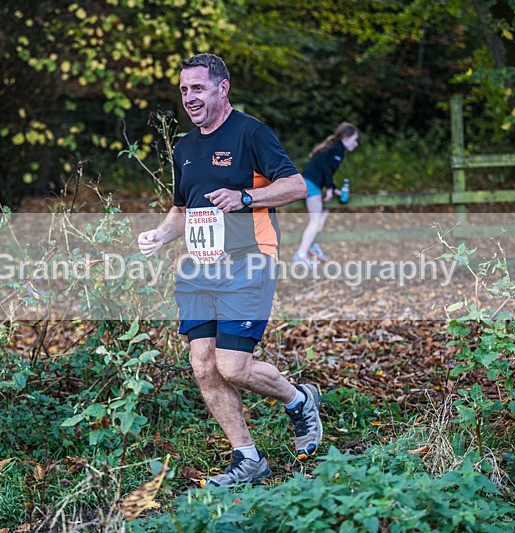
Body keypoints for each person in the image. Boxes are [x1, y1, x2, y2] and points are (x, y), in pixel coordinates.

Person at [137, 53, 324, 487]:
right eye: (184, 90)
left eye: (197, 88)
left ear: (223, 88)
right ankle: (248, 459)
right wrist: (161, 235)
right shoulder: (183, 147)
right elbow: (182, 208)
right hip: (199, 268)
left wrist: (244, 197)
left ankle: (298, 401)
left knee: (234, 366)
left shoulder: (250, 133)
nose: (189, 97)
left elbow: (296, 186)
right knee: (203, 365)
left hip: (248, 260)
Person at [293, 122, 360, 264]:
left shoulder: (334, 147)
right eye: (355, 140)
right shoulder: (338, 149)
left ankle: (312, 244)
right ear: (346, 137)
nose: (356, 144)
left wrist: (332, 187)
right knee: (315, 220)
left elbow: (324, 168)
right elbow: (325, 169)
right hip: (311, 184)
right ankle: (301, 254)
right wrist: (329, 187)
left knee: (324, 213)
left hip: (312, 182)